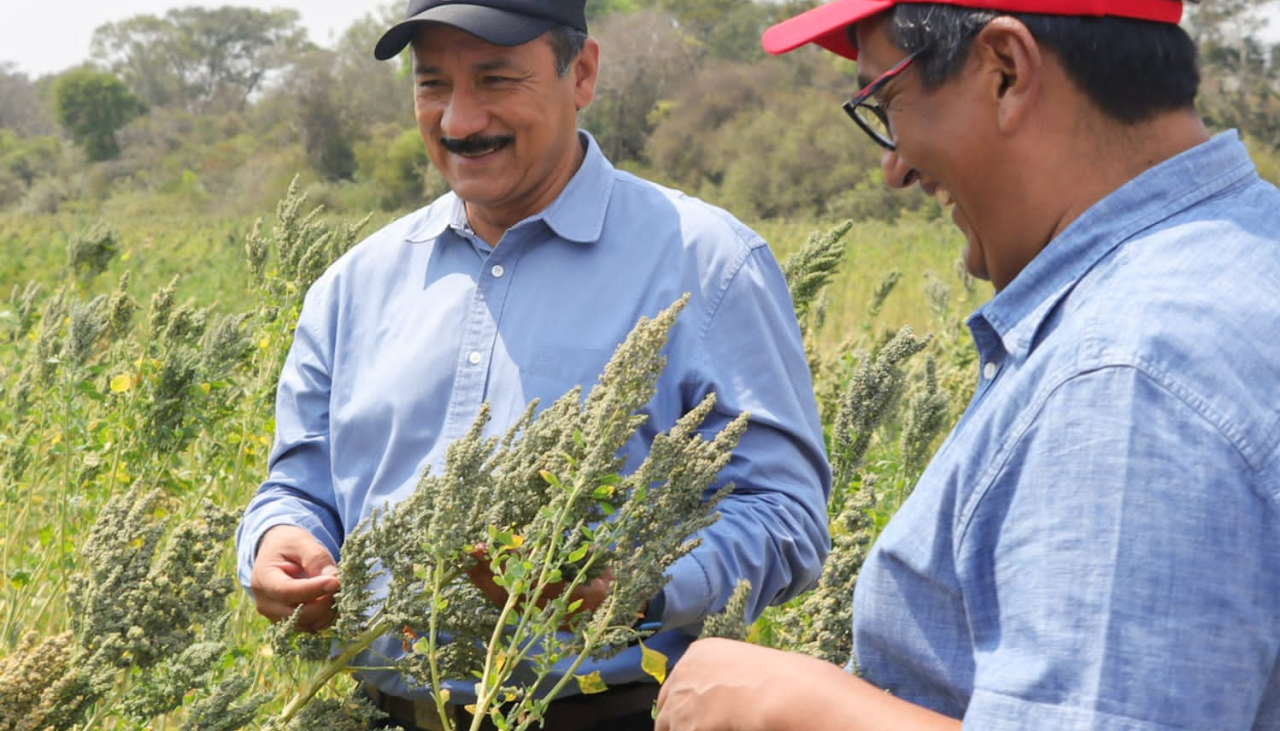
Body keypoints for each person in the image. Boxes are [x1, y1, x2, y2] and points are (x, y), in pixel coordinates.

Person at [654, 0, 1280, 729]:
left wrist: (794, 704)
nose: (893, 168)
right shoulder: (1240, 258)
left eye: (885, 99)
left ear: (1006, 72)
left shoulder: (1123, 379)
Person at [234, 1, 832, 730]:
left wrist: (634, 582)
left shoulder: (709, 263)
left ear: (581, 73)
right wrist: (278, 540)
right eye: (432, 85)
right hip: (379, 711)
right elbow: (298, 483)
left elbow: (786, 515)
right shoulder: (351, 286)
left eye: (495, 79)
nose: (459, 118)